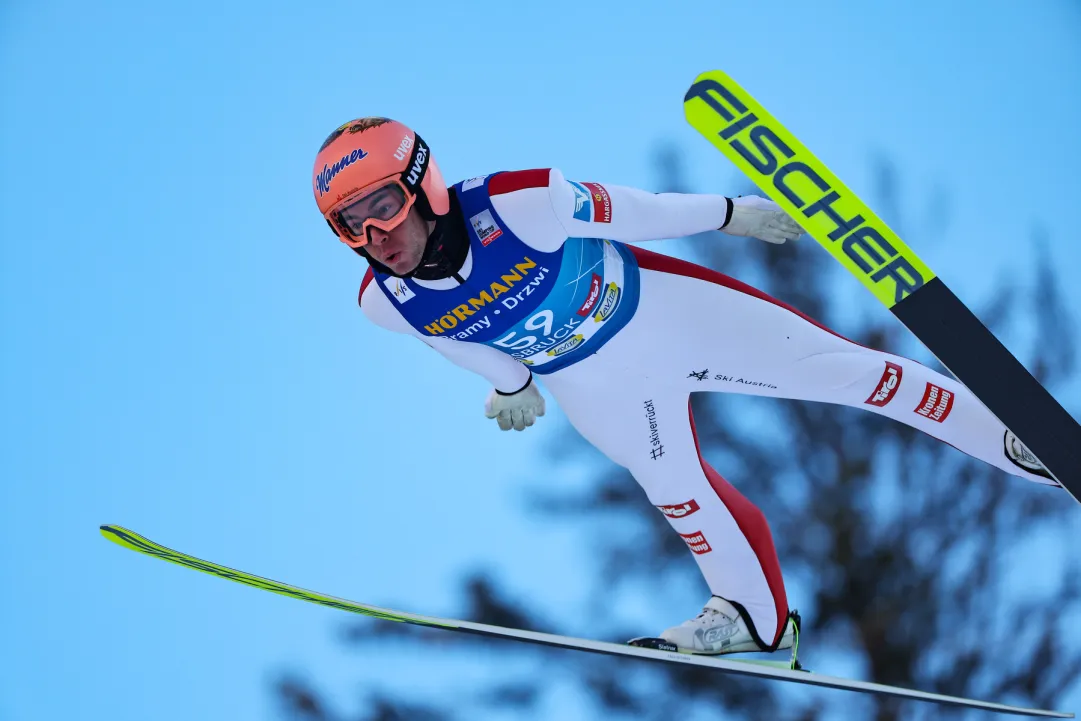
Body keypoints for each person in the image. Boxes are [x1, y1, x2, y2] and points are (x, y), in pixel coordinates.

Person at [311, 116, 1058, 657]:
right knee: (677, 492)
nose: (374, 235)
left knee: (845, 373)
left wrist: (728, 214)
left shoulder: (518, 202)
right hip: (593, 381)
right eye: (349, 223)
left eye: (381, 204)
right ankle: (753, 620)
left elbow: (635, 209)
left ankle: (1010, 436)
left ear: (422, 184)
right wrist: (509, 383)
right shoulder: (386, 301)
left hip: (668, 314)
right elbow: (457, 340)